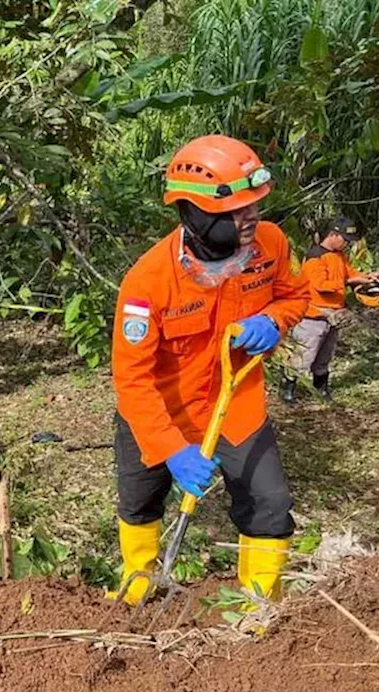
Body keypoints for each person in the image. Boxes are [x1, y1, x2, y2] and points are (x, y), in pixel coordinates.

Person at [110, 135, 310, 605]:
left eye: (255, 205)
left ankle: (257, 609)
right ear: (195, 215)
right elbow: (133, 380)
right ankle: (138, 593)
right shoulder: (147, 282)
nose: (252, 218)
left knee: (270, 506)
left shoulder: (271, 245)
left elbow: (295, 295)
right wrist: (171, 451)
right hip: (160, 414)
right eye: (238, 211)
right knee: (139, 504)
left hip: (238, 406)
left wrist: (274, 320)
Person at [281, 216, 379, 403]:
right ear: (333, 235)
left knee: (324, 356)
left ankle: (321, 389)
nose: (347, 244)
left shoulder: (339, 256)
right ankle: (287, 389)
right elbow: (321, 285)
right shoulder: (315, 257)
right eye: (345, 240)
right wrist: (349, 282)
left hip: (333, 316)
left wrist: (368, 277)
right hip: (313, 317)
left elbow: (351, 273)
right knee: (303, 356)